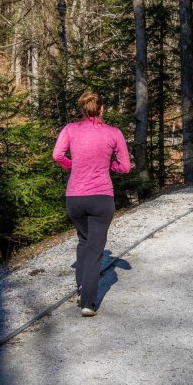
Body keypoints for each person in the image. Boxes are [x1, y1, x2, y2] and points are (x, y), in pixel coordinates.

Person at [53, 92, 131, 317]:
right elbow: (125, 166)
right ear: (102, 109)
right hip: (101, 198)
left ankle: (81, 287)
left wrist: (71, 165)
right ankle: (87, 302)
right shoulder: (113, 133)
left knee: (84, 241)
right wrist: (110, 167)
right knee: (96, 249)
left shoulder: (70, 129)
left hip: (75, 198)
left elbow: (57, 154)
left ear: (82, 110)